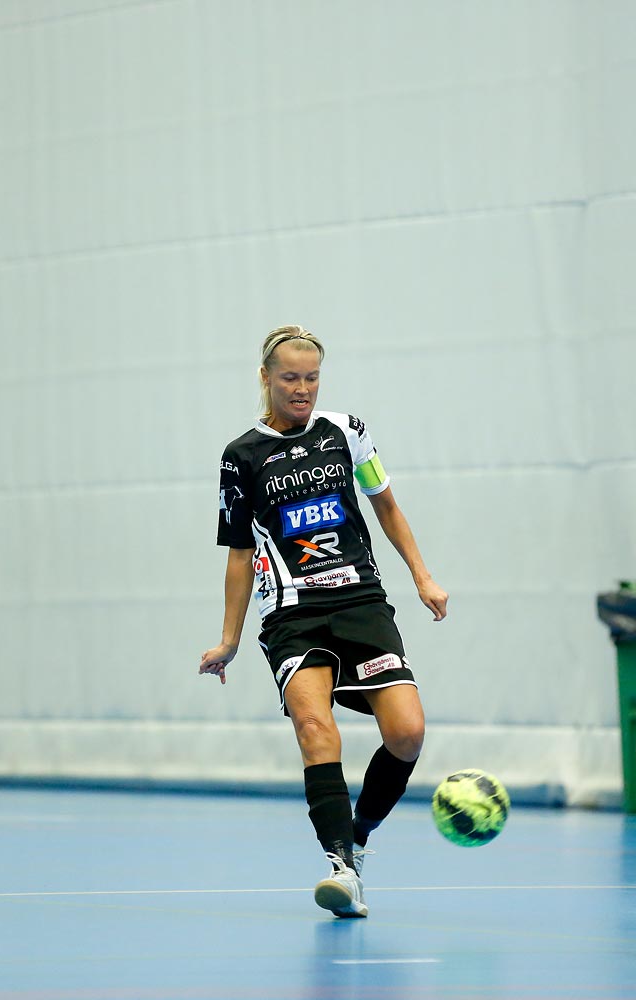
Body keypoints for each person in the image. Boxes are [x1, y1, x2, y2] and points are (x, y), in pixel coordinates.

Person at [198, 326, 448, 919]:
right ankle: (341, 868)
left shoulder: (348, 433)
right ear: (265, 378)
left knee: (407, 733)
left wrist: (422, 576)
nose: (303, 389)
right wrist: (230, 640)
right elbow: (237, 554)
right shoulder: (241, 458)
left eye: (312, 378)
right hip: (291, 612)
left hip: (361, 601)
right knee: (316, 726)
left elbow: (386, 504)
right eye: (290, 378)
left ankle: (358, 837)